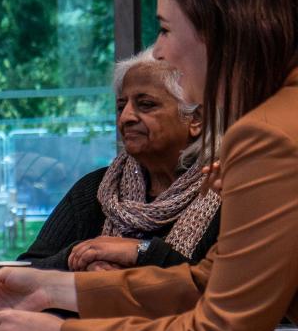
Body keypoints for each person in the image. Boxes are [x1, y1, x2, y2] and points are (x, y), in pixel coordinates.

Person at [0, 0, 298, 331]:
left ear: (220, 32)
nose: (159, 54)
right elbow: (206, 283)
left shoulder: (267, 137)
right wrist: (54, 285)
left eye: (165, 30)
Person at [19, 48, 221, 271]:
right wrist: (80, 259)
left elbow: (216, 284)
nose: (126, 117)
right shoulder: (96, 190)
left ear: (195, 119)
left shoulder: (223, 188)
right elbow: (25, 269)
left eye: (146, 104)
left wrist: (139, 252)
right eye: (121, 106)